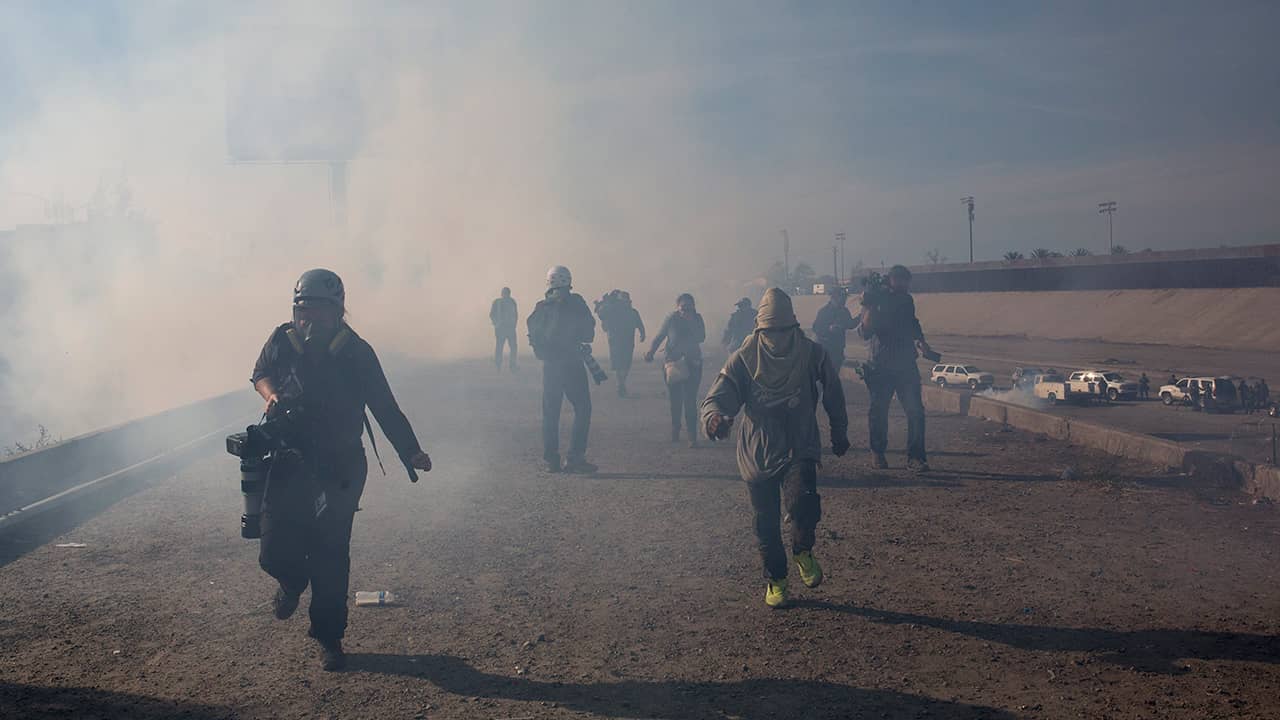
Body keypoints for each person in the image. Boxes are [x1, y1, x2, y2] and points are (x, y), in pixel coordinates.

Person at [251, 268, 433, 671]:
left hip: (340, 465)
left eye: (316, 311)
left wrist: (411, 452)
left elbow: (384, 407)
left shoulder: (357, 352)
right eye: (302, 312)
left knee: (330, 552)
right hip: (287, 458)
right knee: (272, 548)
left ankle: (329, 638)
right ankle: (292, 581)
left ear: (337, 312)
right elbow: (259, 373)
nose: (307, 320)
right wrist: (272, 393)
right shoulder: (283, 339)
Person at [701, 288, 849, 608]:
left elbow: (833, 391)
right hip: (759, 449)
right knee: (765, 521)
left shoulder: (812, 354)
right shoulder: (744, 358)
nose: (778, 338)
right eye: (771, 332)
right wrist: (715, 420)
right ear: (760, 331)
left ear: (793, 328)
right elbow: (719, 395)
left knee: (804, 504)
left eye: (784, 331)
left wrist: (839, 430)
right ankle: (776, 579)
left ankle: (802, 549)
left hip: (800, 442)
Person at [858, 265, 934, 471]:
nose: (905, 285)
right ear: (891, 279)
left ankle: (916, 458)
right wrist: (871, 304)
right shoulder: (874, 299)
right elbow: (864, 331)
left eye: (906, 281)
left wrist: (921, 341)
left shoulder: (906, 300)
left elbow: (912, 322)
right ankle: (877, 453)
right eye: (901, 281)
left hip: (906, 365)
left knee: (916, 411)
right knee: (879, 411)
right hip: (880, 365)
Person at [528, 265, 597, 474]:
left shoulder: (541, 307)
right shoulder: (576, 303)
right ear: (568, 282)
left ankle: (551, 461)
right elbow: (588, 333)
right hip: (572, 363)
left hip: (550, 366)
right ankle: (575, 458)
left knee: (550, 413)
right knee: (583, 408)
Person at [646, 293, 706, 446]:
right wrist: (650, 352)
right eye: (683, 307)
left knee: (690, 399)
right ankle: (676, 428)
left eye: (689, 307)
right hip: (673, 363)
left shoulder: (697, 318)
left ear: (693, 307)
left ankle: (692, 436)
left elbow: (701, 337)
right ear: (678, 307)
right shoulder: (671, 319)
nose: (686, 310)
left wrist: (691, 321)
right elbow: (660, 336)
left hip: (693, 362)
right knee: (675, 399)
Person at [598, 290, 645, 397]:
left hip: (628, 342)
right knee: (618, 364)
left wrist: (642, 334)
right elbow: (602, 315)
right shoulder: (612, 311)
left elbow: (639, 324)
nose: (626, 303)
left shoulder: (633, 312)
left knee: (626, 364)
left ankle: (621, 383)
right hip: (615, 342)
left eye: (627, 301)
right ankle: (620, 384)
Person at [811, 286, 859, 370]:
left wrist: (861, 316)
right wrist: (829, 329)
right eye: (842, 297)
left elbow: (850, 324)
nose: (844, 300)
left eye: (845, 297)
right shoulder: (824, 311)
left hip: (838, 349)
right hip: (826, 350)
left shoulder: (844, 311)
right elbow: (816, 328)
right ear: (835, 297)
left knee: (835, 374)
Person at [489, 287, 519, 372]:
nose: (506, 295)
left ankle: (512, 365)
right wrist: (496, 324)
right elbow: (492, 314)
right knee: (500, 347)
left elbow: (516, 314)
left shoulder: (512, 302)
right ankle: (498, 365)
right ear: (502, 294)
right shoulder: (497, 302)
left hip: (510, 328)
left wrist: (514, 324)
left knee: (513, 347)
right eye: (504, 293)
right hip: (501, 329)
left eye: (507, 293)